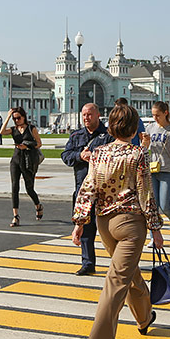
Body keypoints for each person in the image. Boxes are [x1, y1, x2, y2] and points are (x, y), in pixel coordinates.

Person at [71, 104, 163, 339]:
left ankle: (145, 318)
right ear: (134, 129)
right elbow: (146, 195)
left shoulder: (98, 153)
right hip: (131, 224)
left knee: (128, 274)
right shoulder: (138, 155)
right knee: (116, 281)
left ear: (110, 127)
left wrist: (80, 221)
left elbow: (88, 187)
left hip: (104, 224)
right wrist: (155, 228)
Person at [62, 103, 114, 275]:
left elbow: (114, 157)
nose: (86, 118)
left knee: (109, 230)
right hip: (83, 190)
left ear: (98, 115)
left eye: (90, 114)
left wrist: (95, 157)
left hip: (103, 190)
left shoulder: (108, 136)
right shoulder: (76, 135)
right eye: (84, 115)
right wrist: (80, 156)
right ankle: (87, 263)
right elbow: (66, 156)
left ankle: (117, 262)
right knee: (85, 227)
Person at [0, 107, 43, 227]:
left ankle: (38, 205)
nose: (16, 120)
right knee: (14, 187)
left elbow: (39, 143)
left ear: (24, 116)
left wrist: (27, 146)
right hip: (16, 160)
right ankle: (15, 216)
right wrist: (8, 117)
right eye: (14, 118)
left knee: (29, 188)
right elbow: (1, 132)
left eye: (18, 118)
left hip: (28, 160)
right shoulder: (13, 129)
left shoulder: (31, 128)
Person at [146, 101, 170, 240]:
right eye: (153, 115)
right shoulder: (150, 128)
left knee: (165, 205)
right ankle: (153, 236)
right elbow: (145, 147)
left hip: (167, 169)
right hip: (152, 169)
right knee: (153, 206)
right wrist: (144, 141)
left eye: (158, 115)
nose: (155, 118)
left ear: (165, 113)